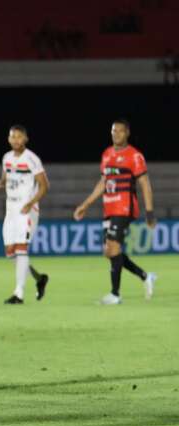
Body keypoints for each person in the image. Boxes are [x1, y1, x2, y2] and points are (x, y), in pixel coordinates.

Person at [73, 119, 157, 304]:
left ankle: (115, 294)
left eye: (120, 131)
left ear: (127, 133)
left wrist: (149, 211)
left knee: (112, 247)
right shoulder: (107, 154)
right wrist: (85, 204)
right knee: (110, 251)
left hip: (125, 207)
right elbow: (103, 182)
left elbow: (145, 183)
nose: (116, 134)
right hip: (109, 208)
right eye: (113, 131)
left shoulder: (134, 156)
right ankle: (145, 277)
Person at [0, 124, 50, 304]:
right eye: (12, 136)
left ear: (26, 139)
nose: (15, 140)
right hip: (11, 209)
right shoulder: (6, 158)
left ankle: (19, 293)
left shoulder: (32, 159)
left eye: (19, 136)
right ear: (8, 139)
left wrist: (30, 203)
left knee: (22, 249)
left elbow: (45, 186)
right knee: (10, 252)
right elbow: (5, 180)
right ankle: (39, 279)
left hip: (26, 209)